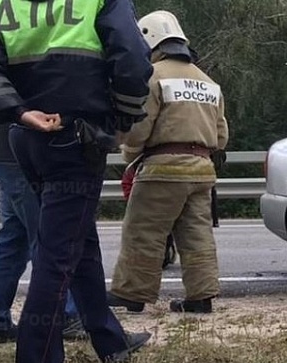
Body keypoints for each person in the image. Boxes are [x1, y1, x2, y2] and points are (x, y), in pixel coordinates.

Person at [0, 0, 154, 363]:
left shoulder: (3, 3)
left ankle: (110, 342)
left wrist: (17, 111)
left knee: (78, 241)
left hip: (25, 137)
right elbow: (133, 60)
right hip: (75, 134)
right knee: (57, 257)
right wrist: (120, 122)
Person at [107, 10, 228, 314]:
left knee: (144, 232)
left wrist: (129, 156)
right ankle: (201, 297)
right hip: (202, 170)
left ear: (151, 44)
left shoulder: (153, 76)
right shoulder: (208, 82)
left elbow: (138, 132)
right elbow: (221, 135)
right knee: (196, 235)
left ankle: (132, 294)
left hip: (162, 170)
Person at [0, 122, 86, 345]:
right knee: (50, 241)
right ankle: (66, 315)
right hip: (25, 156)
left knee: (14, 241)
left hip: (1, 154)